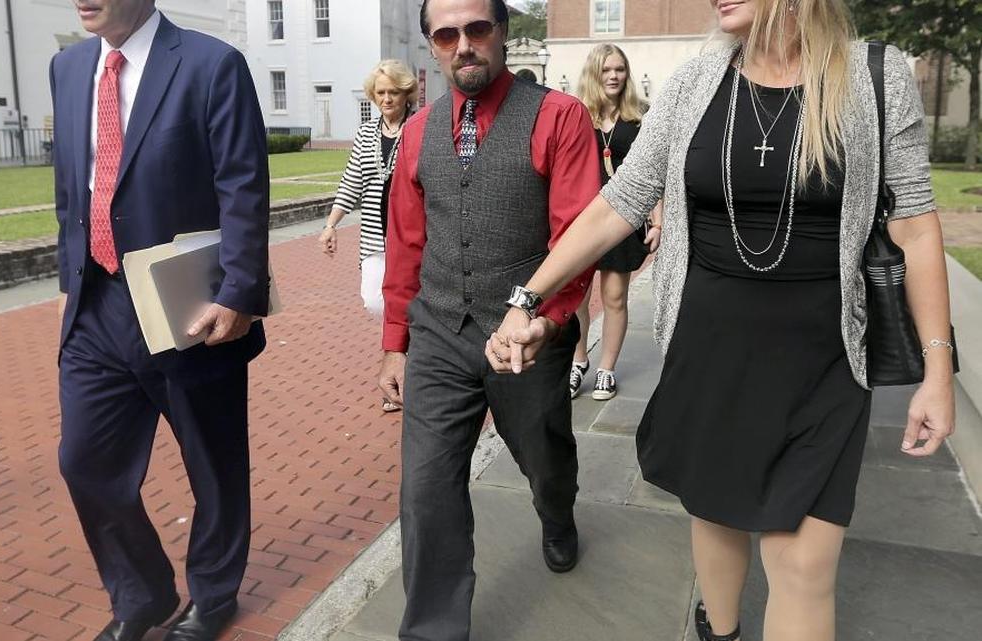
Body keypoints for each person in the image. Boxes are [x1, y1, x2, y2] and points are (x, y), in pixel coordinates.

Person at [486, 1, 956, 640]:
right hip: (708, 348)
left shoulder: (874, 77)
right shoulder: (694, 84)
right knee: (716, 512)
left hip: (824, 359)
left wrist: (937, 368)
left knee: (803, 563)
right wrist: (527, 299)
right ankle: (721, 630)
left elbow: (916, 225)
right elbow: (617, 205)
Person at [377, 0, 601, 638]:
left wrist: (546, 317)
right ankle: (433, 631)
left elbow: (576, 235)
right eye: (446, 34)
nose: (463, 44)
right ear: (432, 45)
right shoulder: (418, 130)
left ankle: (557, 516)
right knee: (425, 489)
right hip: (440, 331)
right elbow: (406, 243)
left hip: (529, 332)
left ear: (501, 32)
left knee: (544, 457)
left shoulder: (558, 116)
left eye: (477, 28)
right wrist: (396, 344)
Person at [50, 1, 270, 640]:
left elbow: (243, 185)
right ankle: (142, 595)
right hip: (95, 303)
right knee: (85, 461)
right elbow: (73, 189)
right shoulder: (67, 69)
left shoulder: (210, 65)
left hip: (186, 302)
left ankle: (215, 593)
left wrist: (240, 292)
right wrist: (70, 285)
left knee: (213, 461)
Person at [320, 59, 418, 412]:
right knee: (376, 301)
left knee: (408, 302)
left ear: (407, 93)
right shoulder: (365, 134)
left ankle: (398, 374)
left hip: (414, 236)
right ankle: (403, 350)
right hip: (376, 239)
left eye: (394, 92)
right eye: (381, 93)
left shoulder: (419, 128)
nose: (387, 99)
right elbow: (352, 184)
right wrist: (331, 224)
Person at [569, 43, 662, 400]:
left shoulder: (639, 116)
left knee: (614, 296)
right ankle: (579, 361)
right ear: (595, 73)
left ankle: (606, 368)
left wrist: (657, 220)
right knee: (575, 297)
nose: (613, 76)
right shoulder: (577, 115)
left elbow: (654, 172)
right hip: (582, 216)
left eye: (619, 69)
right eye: (606, 70)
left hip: (623, 217)